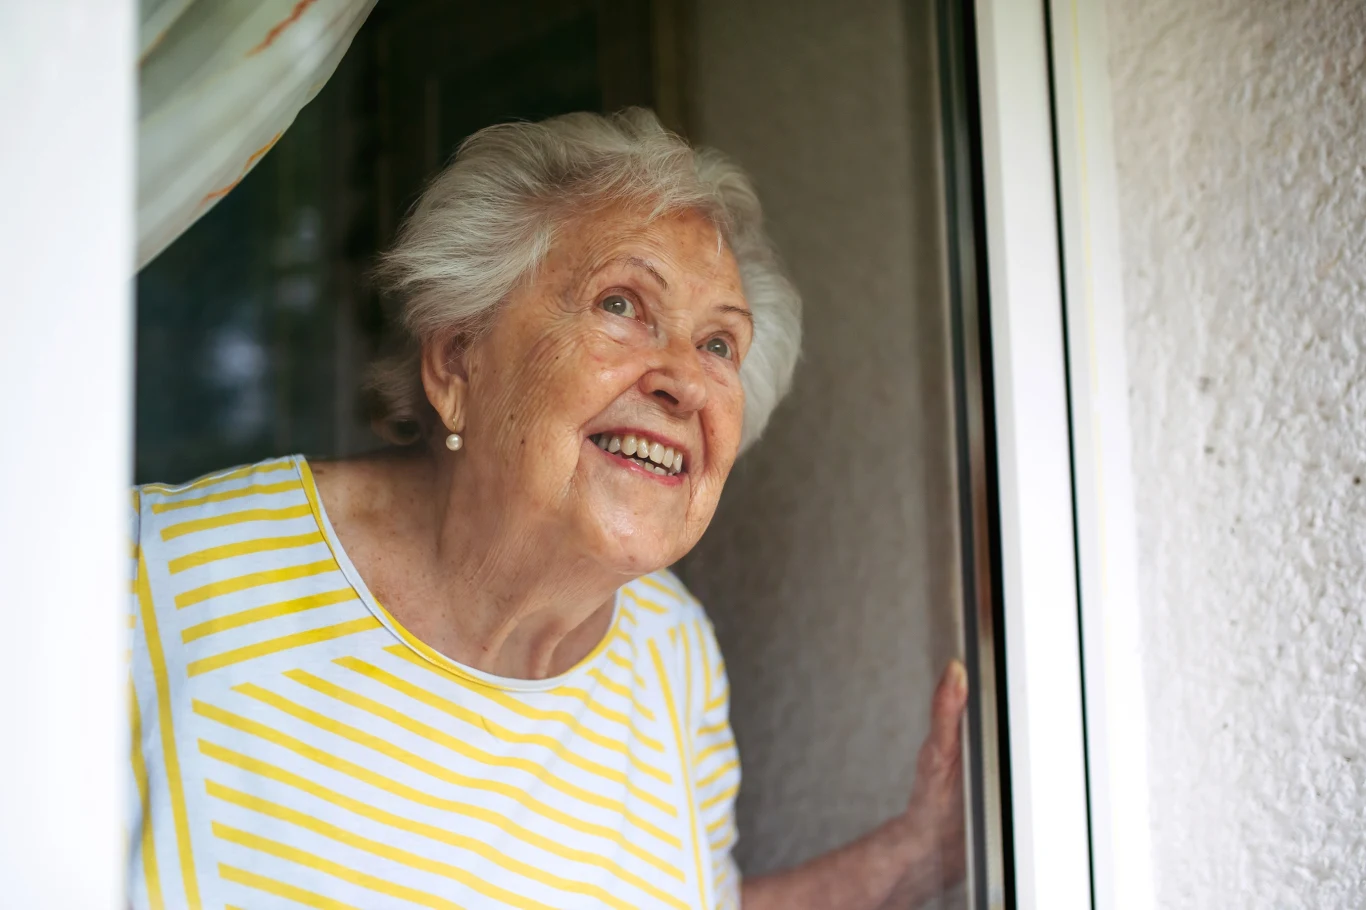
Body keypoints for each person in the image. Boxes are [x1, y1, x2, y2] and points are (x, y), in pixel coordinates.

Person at [128, 108, 966, 910]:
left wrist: (919, 852)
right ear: (458, 362)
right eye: (621, 305)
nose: (683, 379)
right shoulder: (153, 584)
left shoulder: (671, 652)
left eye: (718, 344)